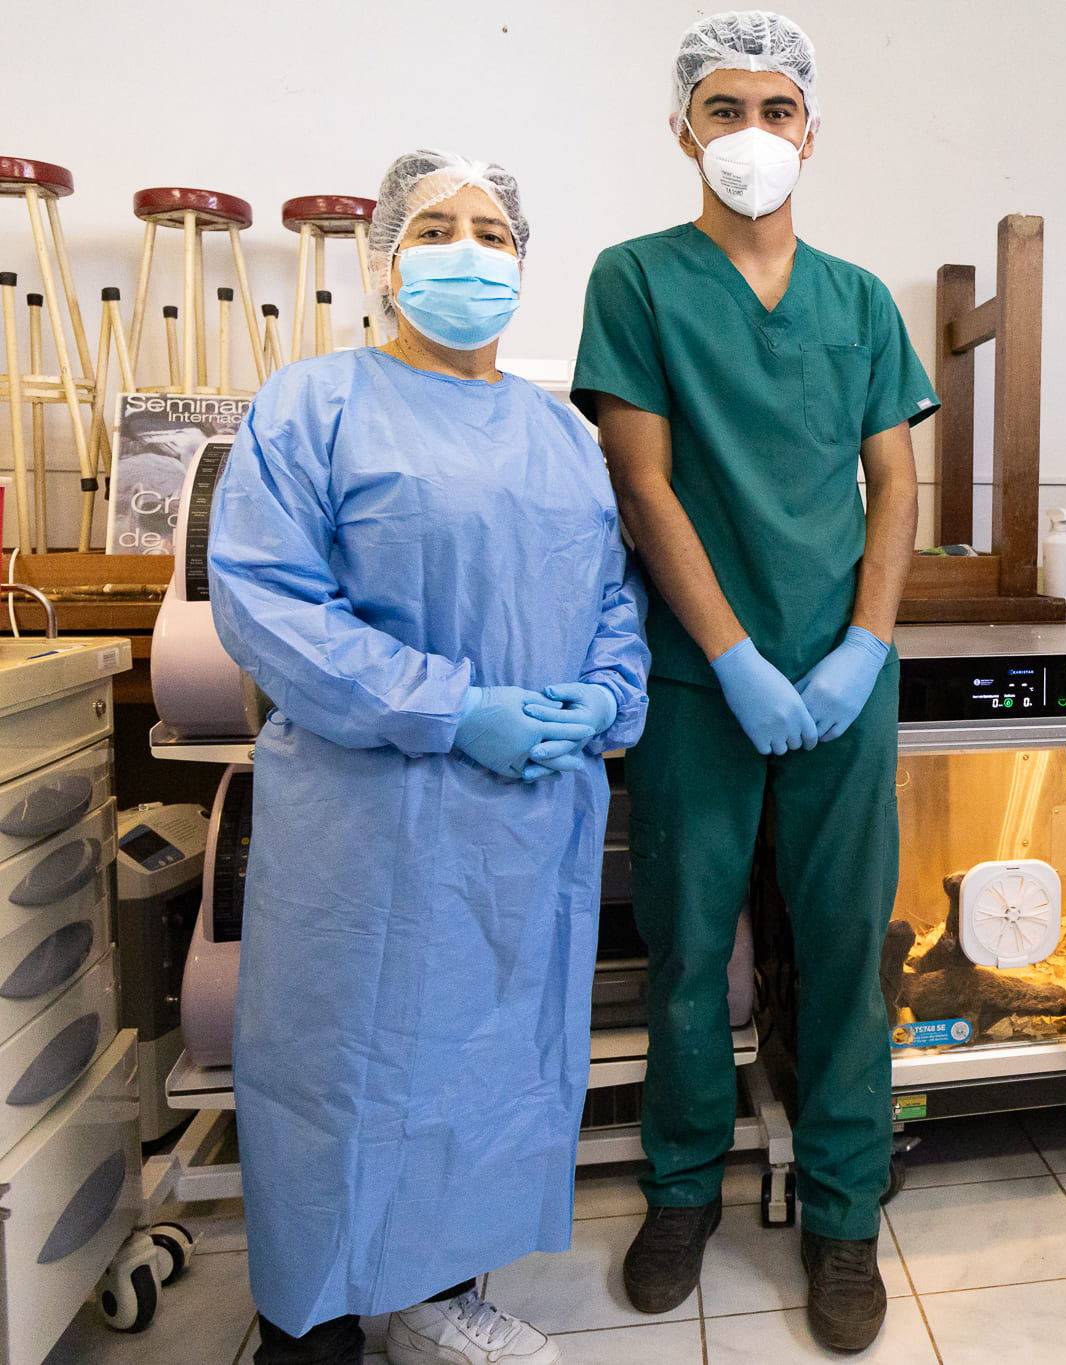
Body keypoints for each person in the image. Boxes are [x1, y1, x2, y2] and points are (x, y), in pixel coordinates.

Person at [210, 149, 651, 1365]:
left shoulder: (564, 437)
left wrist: (611, 694)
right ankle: (309, 1324)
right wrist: (457, 710)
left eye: (495, 231)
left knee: (488, 1068)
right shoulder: (312, 407)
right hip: (367, 823)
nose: (470, 249)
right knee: (341, 1077)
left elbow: (612, 594)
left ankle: (436, 1294)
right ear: (387, 260)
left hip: (523, 825)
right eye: (439, 228)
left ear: (523, 261)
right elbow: (269, 610)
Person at [571, 11, 935, 1353]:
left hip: (843, 681)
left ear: (812, 132)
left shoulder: (858, 300)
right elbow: (642, 477)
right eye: (723, 111)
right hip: (694, 679)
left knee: (845, 954)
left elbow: (895, 480)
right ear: (684, 131)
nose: (752, 136)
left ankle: (843, 1214)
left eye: (775, 111)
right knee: (685, 957)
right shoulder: (638, 279)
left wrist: (863, 646)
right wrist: (729, 653)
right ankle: (680, 1194)